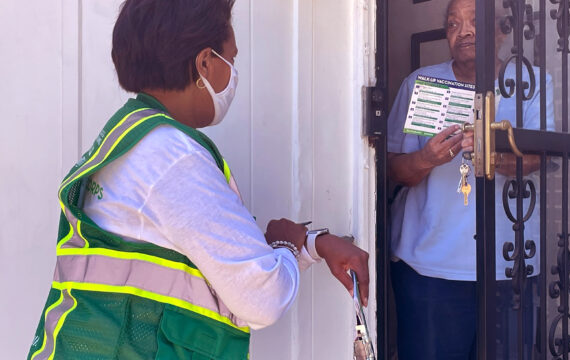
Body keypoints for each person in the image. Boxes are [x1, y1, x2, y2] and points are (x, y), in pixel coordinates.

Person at [27, 1, 369, 359]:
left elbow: (208, 265)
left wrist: (310, 245)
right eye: (231, 60)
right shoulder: (172, 157)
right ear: (205, 63)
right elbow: (261, 299)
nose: (234, 73)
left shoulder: (130, 135)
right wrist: (286, 242)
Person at [387, 0, 554, 359]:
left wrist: (492, 153)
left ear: (503, 29)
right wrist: (426, 159)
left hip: (511, 263)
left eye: (475, 21)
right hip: (430, 268)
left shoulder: (532, 82)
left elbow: (544, 155)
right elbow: (393, 169)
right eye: (452, 24)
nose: (463, 31)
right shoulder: (421, 84)